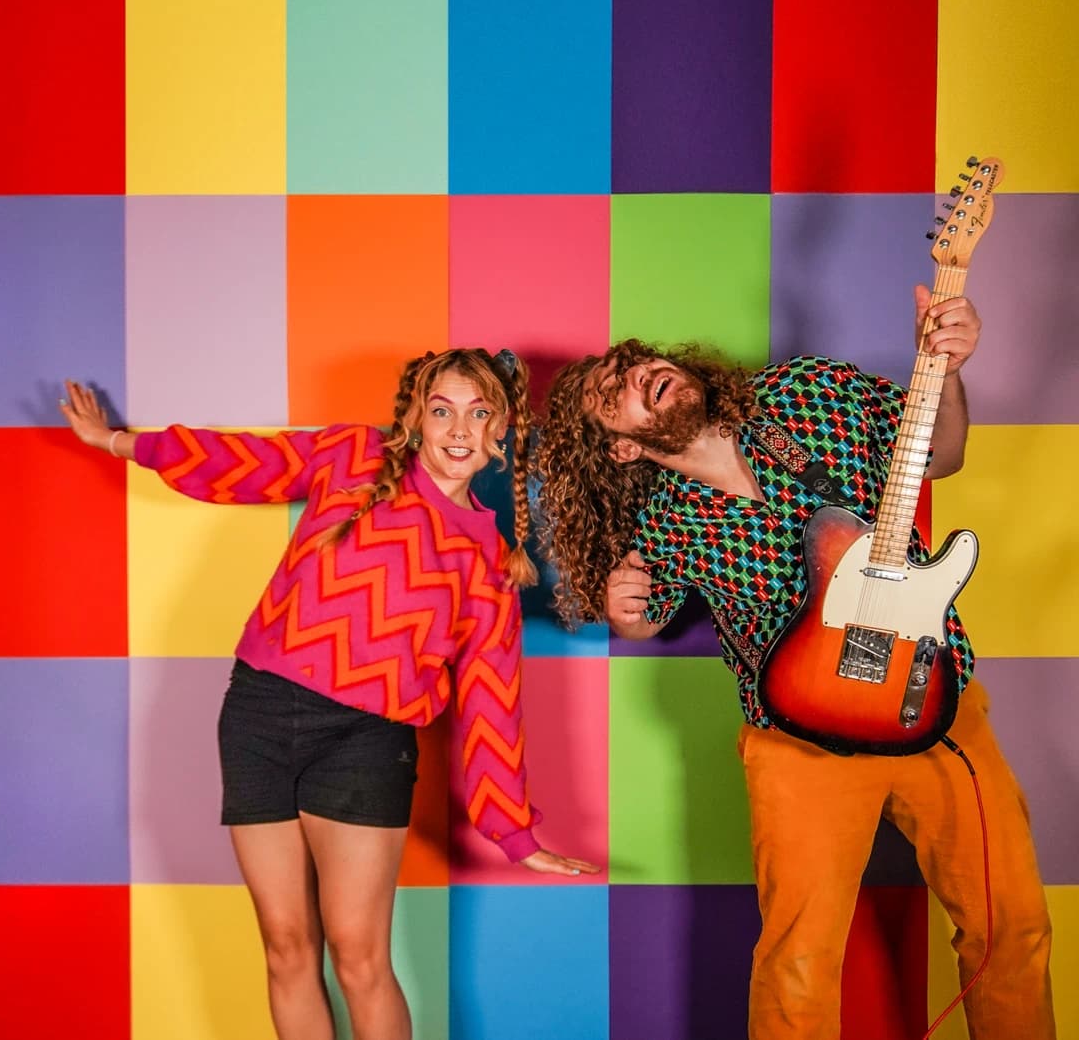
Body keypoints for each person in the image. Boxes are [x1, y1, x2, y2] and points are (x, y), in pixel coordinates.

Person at [532, 287, 1054, 1040]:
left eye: (637, 361)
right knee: (798, 964)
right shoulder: (664, 521)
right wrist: (624, 611)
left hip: (931, 700)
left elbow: (940, 453)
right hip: (799, 743)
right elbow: (647, 617)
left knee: (1012, 927)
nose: (639, 373)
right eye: (615, 393)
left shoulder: (810, 390)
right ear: (621, 447)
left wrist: (947, 370)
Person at [60, 348, 598, 1040]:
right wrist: (116, 442)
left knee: (359, 957)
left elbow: (493, 700)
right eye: (442, 410)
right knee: (286, 947)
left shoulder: (490, 560)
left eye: (478, 412)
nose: (459, 429)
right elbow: (243, 461)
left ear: (500, 429)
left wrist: (514, 833)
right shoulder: (355, 457)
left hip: (365, 744)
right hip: (256, 715)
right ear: (416, 417)